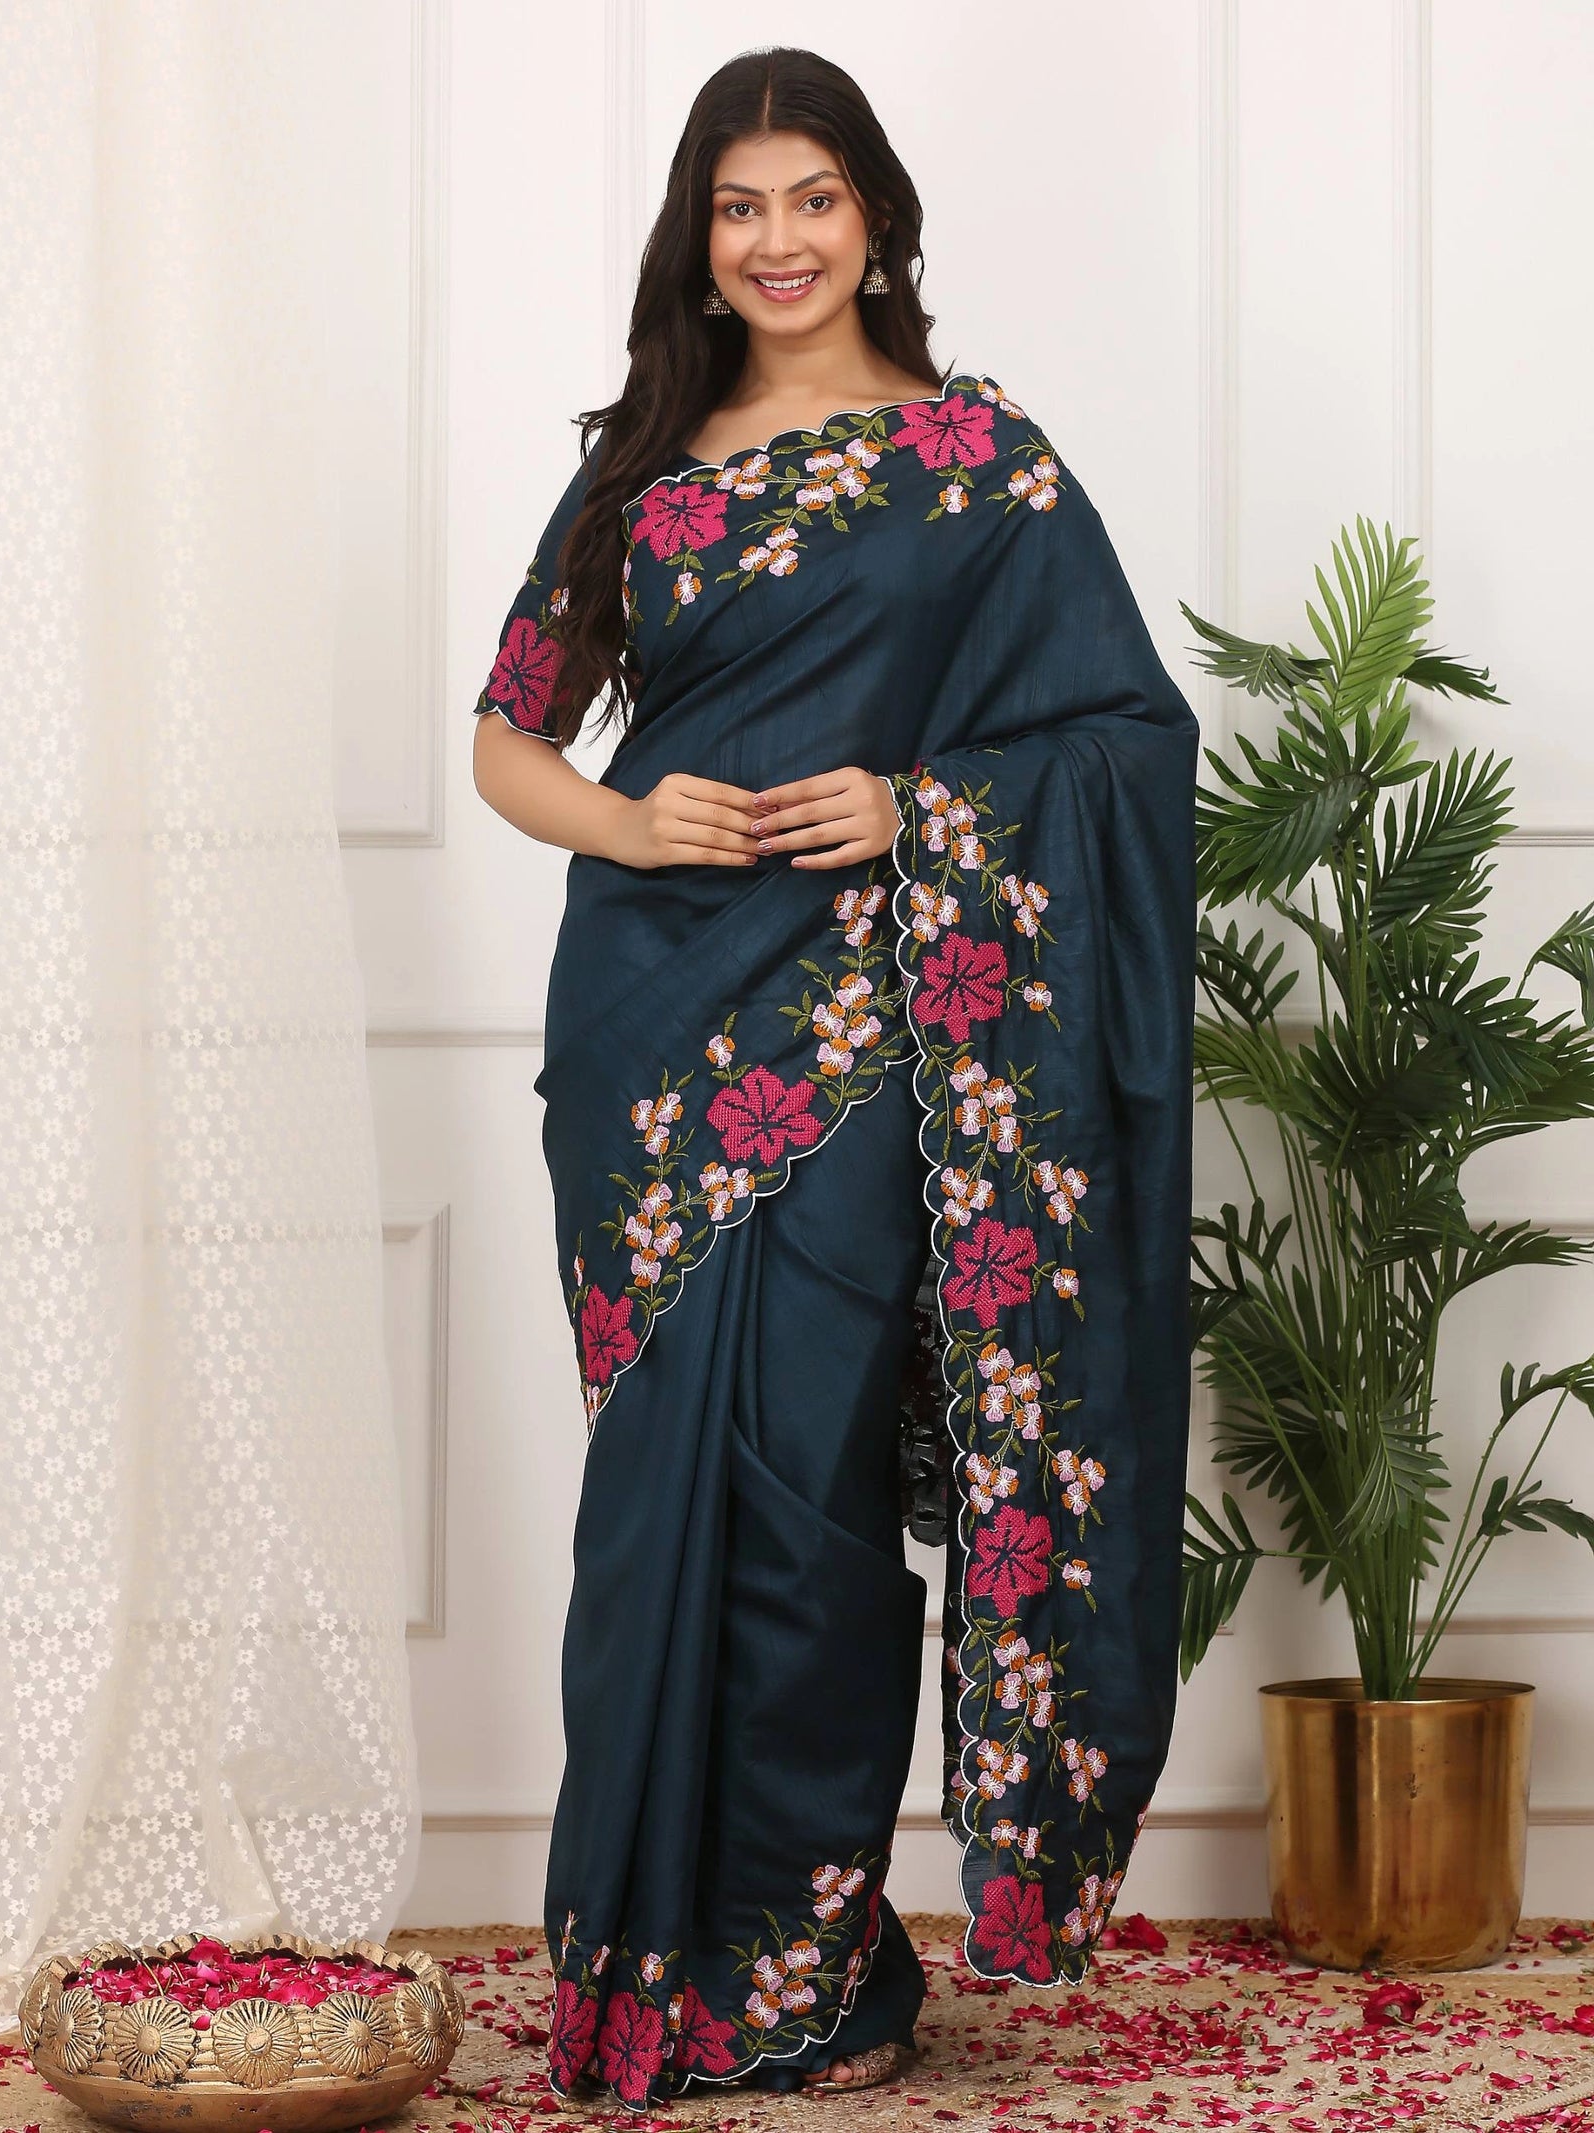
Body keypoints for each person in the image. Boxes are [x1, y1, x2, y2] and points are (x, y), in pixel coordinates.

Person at [471, 44, 1198, 2114]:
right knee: (654, 1507)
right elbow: (508, 737)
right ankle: (644, 1964)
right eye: (739, 205)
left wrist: (922, 807)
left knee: (801, 1484)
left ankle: (797, 1961)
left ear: (875, 217)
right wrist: (636, 823)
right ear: (697, 235)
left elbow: (1127, 744)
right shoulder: (644, 465)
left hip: (874, 1026)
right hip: (642, 1031)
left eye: (811, 197)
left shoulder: (982, 468)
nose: (776, 239)